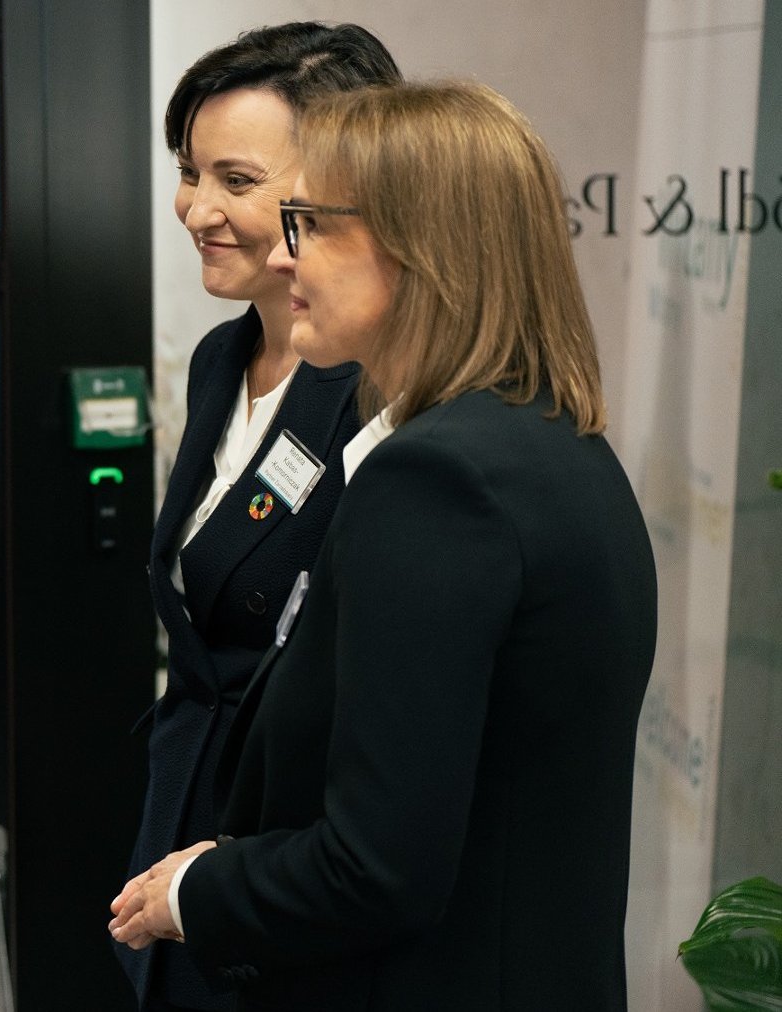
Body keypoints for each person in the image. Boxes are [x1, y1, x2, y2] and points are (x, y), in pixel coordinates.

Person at [110, 81, 658, 1010]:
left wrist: (195, 890)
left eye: (312, 225)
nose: (284, 259)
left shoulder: (435, 485)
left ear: (420, 252)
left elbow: (374, 867)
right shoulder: (555, 442)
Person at [118, 23, 400, 1011]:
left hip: (285, 869)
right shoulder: (218, 360)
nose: (195, 208)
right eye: (189, 172)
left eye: (235, 180)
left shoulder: (389, 399)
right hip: (181, 829)